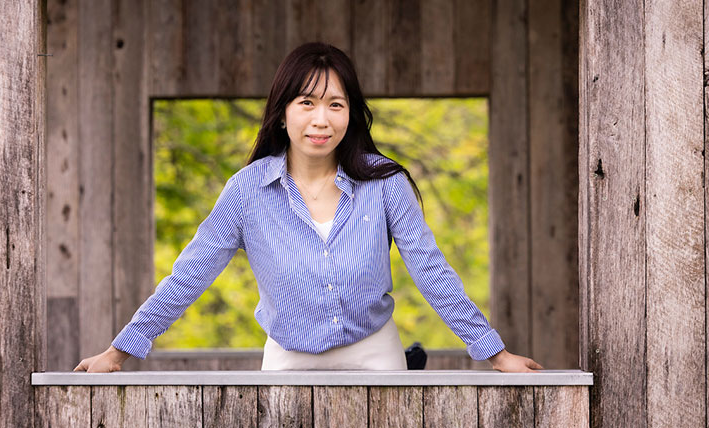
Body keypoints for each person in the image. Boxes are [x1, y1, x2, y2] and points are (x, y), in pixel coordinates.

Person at [75, 42, 542, 373]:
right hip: (287, 357)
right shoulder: (246, 191)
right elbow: (189, 275)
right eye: (307, 102)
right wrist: (120, 351)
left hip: (373, 353)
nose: (321, 119)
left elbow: (431, 271)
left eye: (336, 105)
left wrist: (494, 353)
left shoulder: (386, 183)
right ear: (283, 111)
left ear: (351, 114)